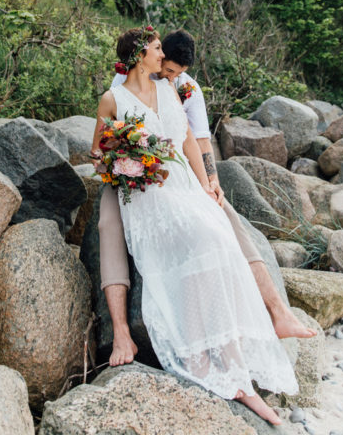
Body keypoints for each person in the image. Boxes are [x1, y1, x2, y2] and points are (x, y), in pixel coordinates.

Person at [92, 27, 300, 425]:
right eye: (156, 50)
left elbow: (189, 138)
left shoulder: (175, 88)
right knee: (202, 238)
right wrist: (126, 162)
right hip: (145, 191)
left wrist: (209, 186)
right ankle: (196, 355)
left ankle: (236, 364)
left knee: (218, 235)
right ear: (141, 55)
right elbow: (97, 153)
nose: (161, 56)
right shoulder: (112, 98)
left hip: (184, 182)